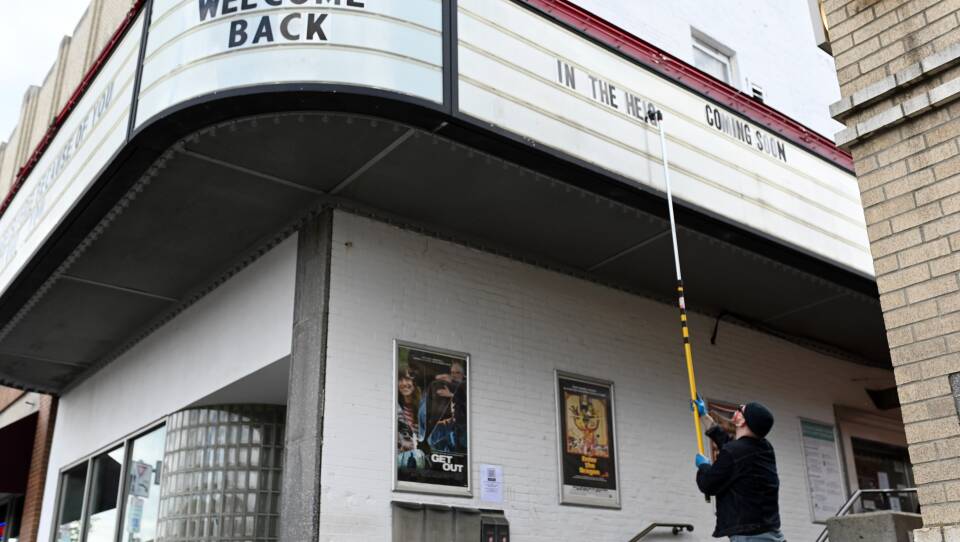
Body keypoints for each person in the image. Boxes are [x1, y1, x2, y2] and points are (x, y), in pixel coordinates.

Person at [692, 398, 785, 542]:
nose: (739, 407)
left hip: (750, 537)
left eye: (741, 410)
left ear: (742, 422)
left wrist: (703, 466)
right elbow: (732, 447)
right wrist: (704, 416)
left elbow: (708, 484)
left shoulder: (735, 452)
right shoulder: (765, 447)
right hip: (770, 533)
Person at [396, 370, 426, 470]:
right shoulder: (395, 407)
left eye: (407, 379)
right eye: (400, 380)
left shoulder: (423, 408)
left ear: (414, 382)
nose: (404, 383)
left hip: (417, 461)